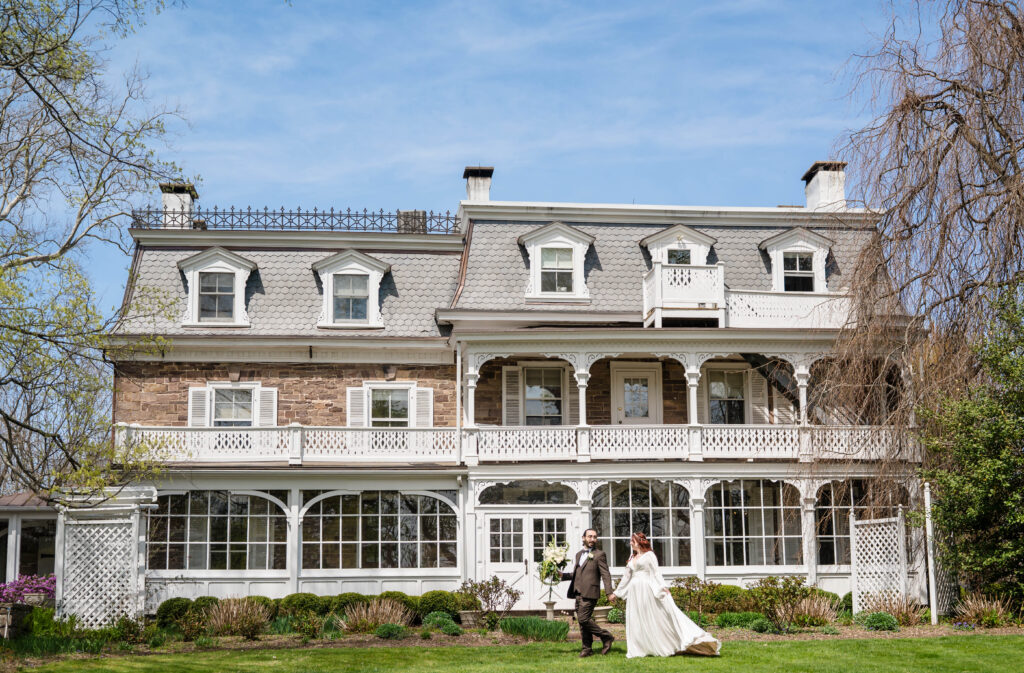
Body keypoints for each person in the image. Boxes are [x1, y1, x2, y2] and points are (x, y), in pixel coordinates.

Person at [609, 532, 721, 658]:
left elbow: (656, 573)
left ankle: (664, 644)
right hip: (634, 593)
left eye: (632, 541)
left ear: (639, 542)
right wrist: (616, 593)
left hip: (646, 590)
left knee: (651, 617)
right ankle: (640, 648)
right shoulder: (631, 558)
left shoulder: (649, 555)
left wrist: (663, 587)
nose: (630, 543)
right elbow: (626, 577)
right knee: (637, 619)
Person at [560, 527, 615, 657]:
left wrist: (609, 592)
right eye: (590, 536)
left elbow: (605, 574)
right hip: (578, 592)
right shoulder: (579, 554)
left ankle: (606, 636)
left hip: (591, 591)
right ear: (583, 538)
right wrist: (563, 575)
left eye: (595, 537)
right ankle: (587, 648)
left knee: (584, 619)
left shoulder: (599, 554)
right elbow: (577, 573)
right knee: (582, 622)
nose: (592, 539)